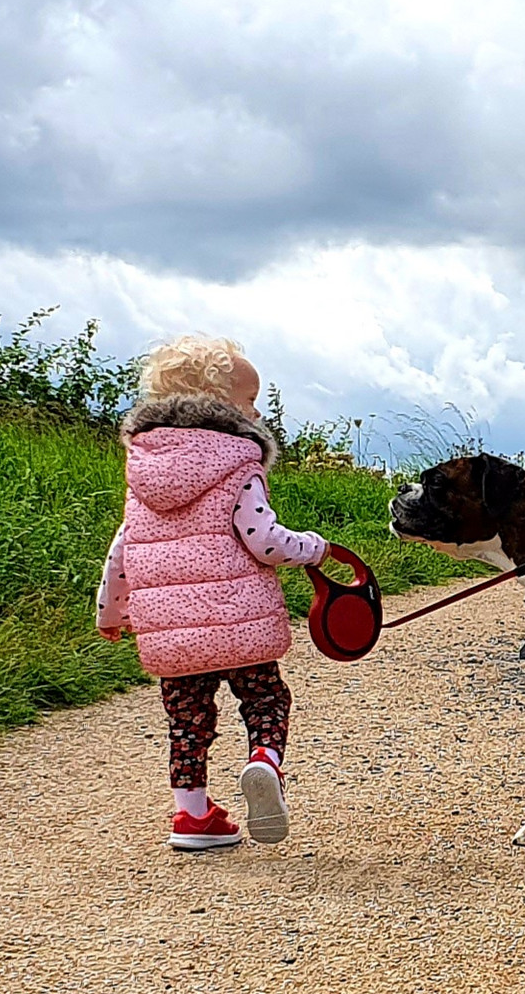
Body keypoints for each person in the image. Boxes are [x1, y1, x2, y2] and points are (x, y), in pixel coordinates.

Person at [94, 335, 328, 849]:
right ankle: (264, 762)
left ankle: (192, 818)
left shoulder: (143, 467)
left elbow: (125, 546)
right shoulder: (240, 462)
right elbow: (263, 540)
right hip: (240, 621)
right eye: (249, 399)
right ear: (220, 402)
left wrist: (110, 611)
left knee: (186, 719)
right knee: (266, 699)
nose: (258, 410)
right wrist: (313, 548)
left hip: (171, 634)